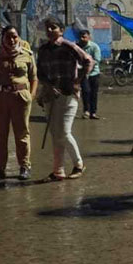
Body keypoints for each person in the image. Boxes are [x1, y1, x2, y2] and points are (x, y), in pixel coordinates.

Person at [36, 17, 94, 181]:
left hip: (68, 94)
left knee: (64, 131)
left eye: (53, 28)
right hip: (50, 95)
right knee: (55, 133)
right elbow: (40, 72)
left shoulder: (69, 46)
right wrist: (47, 85)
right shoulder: (43, 50)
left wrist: (77, 81)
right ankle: (58, 170)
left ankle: (78, 164)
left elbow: (88, 60)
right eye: (47, 28)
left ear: (61, 30)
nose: (49, 31)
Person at [0, 26, 37, 182]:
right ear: (3, 38)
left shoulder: (27, 54)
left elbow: (34, 77)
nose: (12, 40)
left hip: (20, 99)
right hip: (0, 99)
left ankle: (24, 166)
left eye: (14, 36)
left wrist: (31, 96)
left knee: (22, 134)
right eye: (8, 37)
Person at [77, 29, 102, 119]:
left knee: (94, 93)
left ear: (89, 37)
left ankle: (93, 112)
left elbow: (96, 60)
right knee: (86, 91)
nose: (82, 39)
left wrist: (89, 65)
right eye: (80, 37)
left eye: (84, 37)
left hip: (94, 73)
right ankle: (86, 111)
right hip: (83, 73)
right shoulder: (77, 47)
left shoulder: (94, 47)